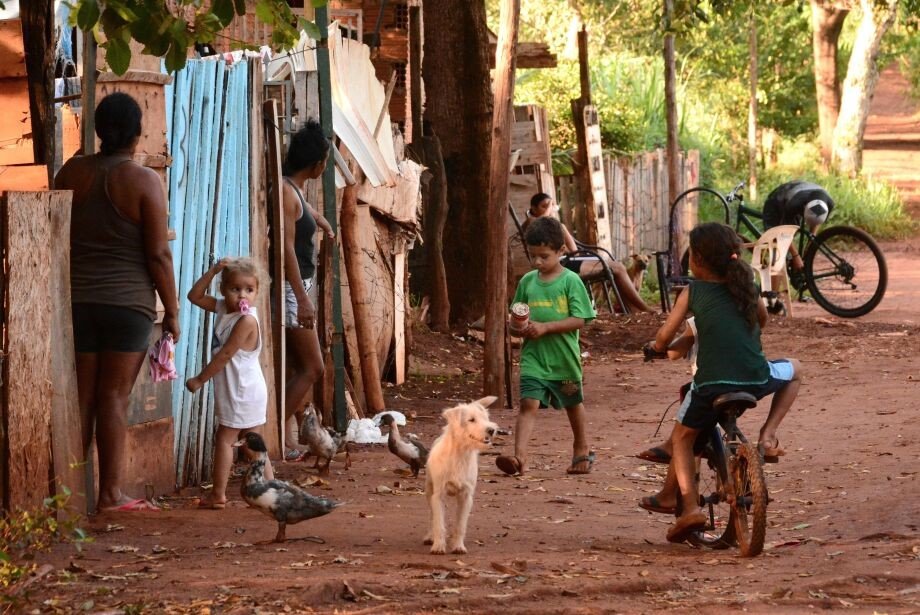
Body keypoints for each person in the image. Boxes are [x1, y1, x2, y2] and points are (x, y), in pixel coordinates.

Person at [55, 92, 180, 513]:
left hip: (77, 301)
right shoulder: (144, 181)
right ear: (137, 133)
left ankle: (71, 496)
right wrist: (173, 311)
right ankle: (110, 494)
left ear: (97, 130)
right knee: (113, 396)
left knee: (84, 398)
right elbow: (159, 254)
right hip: (127, 305)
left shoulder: (70, 173)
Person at [640, 222, 802, 542]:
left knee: (683, 439)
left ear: (698, 259)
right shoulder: (748, 284)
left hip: (711, 385)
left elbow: (664, 337)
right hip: (757, 379)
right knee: (795, 369)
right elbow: (762, 320)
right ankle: (767, 436)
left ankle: (687, 507)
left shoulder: (693, 291)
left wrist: (656, 349)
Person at [496, 217, 598, 477]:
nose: (538, 262)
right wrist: (518, 327)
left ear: (561, 251)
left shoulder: (570, 281)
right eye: (533, 256)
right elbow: (515, 317)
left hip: (564, 360)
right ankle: (519, 458)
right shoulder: (528, 282)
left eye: (544, 256)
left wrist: (545, 327)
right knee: (528, 403)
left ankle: (581, 449)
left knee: (573, 403)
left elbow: (580, 319)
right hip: (534, 358)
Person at [186, 258, 274, 508]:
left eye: (249, 289)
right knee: (254, 441)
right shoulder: (224, 308)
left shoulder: (246, 321)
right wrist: (213, 270)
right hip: (242, 387)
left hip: (242, 390)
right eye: (235, 289)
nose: (242, 295)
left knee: (225, 438)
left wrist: (199, 379)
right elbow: (194, 296)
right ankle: (271, 489)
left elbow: (225, 355)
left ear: (257, 292)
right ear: (223, 289)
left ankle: (218, 495)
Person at [281, 120, 335, 458]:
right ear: (317, 164)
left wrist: (322, 221)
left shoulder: (294, 188)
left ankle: (282, 437)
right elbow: (286, 246)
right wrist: (301, 297)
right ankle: (265, 433)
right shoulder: (287, 192)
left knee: (295, 367)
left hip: (300, 283)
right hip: (292, 287)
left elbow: (305, 210)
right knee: (313, 368)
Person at [524, 193, 653, 312]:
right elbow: (572, 251)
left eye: (551, 206)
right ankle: (644, 308)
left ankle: (632, 309)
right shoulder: (533, 223)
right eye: (545, 206)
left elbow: (574, 250)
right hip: (563, 264)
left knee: (616, 267)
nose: (549, 209)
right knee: (617, 268)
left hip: (571, 259)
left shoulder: (556, 226)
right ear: (534, 209)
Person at [762, 180, 835, 270]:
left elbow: (816, 222)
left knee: (782, 248)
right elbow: (783, 232)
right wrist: (796, 256)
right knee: (776, 244)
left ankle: (782, 264)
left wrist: (810, 245)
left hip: (803, 194)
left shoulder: (829, 204)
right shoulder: (793, 205)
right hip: (778, 199)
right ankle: (781, 262)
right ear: (804, 209)